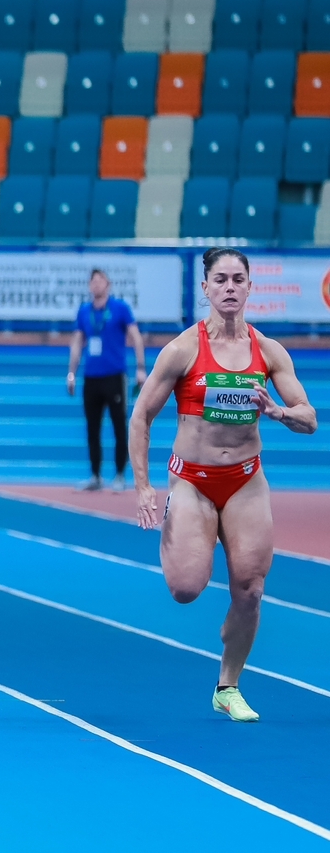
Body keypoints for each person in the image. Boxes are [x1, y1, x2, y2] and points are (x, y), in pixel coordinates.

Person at [130, 248, 317, 723]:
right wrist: (144, 487)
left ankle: (227, 686)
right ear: (206, 288)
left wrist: (277, 411)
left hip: (245, 481)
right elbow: (141, 416)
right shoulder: (182, 350)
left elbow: (309, 419)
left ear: (250, 287)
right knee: (185, 589)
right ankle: (181, 520)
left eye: (238, 279)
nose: (230, 287)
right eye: (220, 279)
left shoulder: (268, 352)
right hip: (192, 481)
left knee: (250, 591)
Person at [67, 268, 146, 490]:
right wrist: (71, 372)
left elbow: (136, 338)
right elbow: (77, 343)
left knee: (119, 426)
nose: (97, 285)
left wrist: (140, 368)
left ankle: (120, 475)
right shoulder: (84, 311)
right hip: (91, 377)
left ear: (108, 285)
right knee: (92, 428)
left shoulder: (120, 309)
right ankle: (95, 476)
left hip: (114, 376)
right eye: (93, 282)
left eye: (101, 281)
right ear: (89, 286)